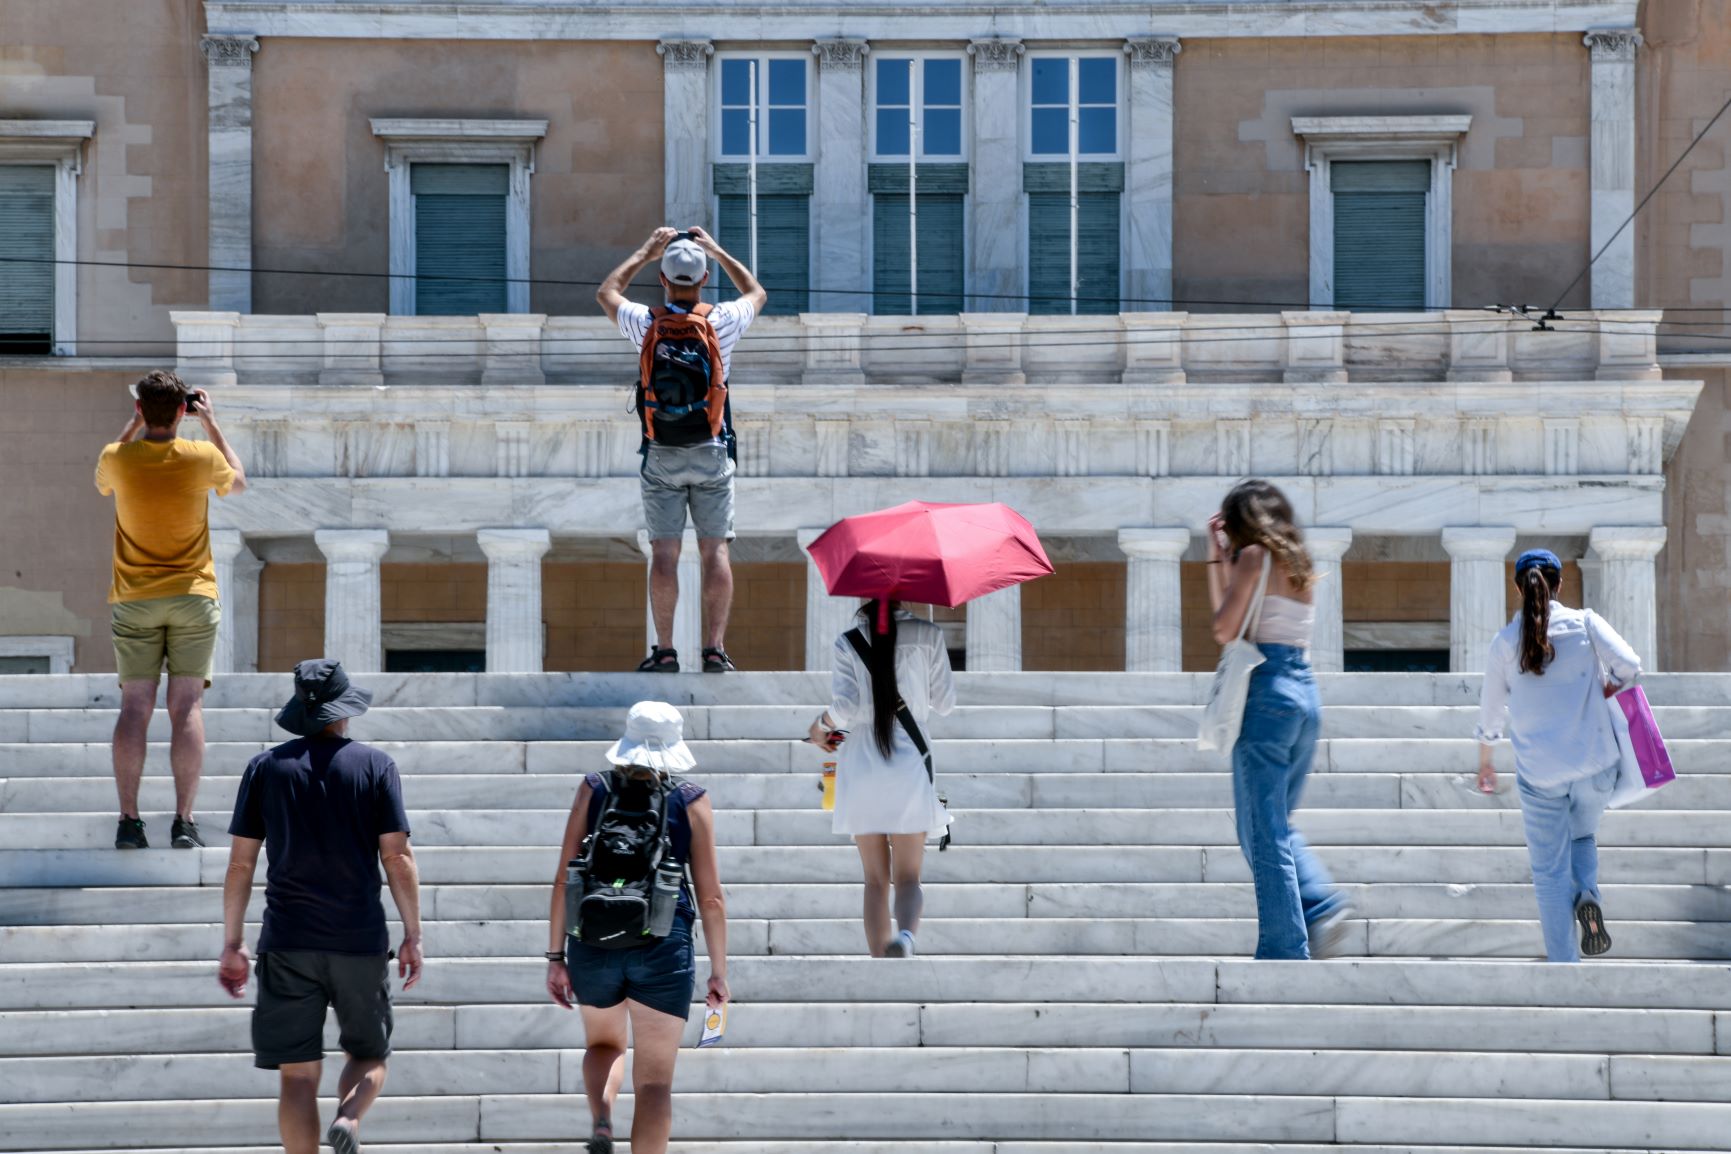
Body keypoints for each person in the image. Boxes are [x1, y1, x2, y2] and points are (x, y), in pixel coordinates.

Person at [218, 659, 423, 1154]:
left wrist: (233, 942)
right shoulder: (375, 766)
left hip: (287, 940)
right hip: (358, 939)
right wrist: (413, 933)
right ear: (344, 712)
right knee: (369, 1054)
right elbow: (396, 856)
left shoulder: (265, 768)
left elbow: (241, 865)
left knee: (297, 1078)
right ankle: (349, 1118)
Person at [546, 701, 728, 1154]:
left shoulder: (593, 789)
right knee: (654, 1082)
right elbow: (710, 896)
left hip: (592, 936)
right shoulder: (691, 799)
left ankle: (603, 1118)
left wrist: (555, 956)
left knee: (605, 1044)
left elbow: (564, 875)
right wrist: (719, 971)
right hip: (664, 943)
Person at [597, 226, 767, 675]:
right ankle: (714, 650)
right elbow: (756, 292)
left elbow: (607, 292)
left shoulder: (645, 322)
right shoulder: (723, 321)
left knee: (665, 554)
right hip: (711, 447)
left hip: (662, 450)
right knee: (715, 551)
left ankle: (666, 650)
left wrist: (645, 250)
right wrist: (719, 250)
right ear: (705, 277)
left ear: (663, 279)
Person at [95, 369, 247, 849]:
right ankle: (184, 820)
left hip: (135, 600)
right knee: (186, 707)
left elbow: (104, 477)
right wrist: (212, 423)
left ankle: (129, 820)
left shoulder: (118, 458)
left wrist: (132, 422)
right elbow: (238, 482)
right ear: (184, 410)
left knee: (134, 707)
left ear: (140, 409)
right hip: (193, 596)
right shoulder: (201, 456)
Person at [1207, 479, 1351, 960]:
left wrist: (1228, 559)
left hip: (1266, 691)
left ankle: (1285, 945)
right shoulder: (1294, 562)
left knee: (1263, 830)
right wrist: (1218, 563)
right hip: (1303, 690)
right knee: (1268, 825)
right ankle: (1319, 901)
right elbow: (1236, 618)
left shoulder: (1252, 558)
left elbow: (1225, 629)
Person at [1475, 549, 1640, 962]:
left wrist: (1486, 761)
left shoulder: (1505, 643)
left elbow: (1491, 713)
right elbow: (1630, 664)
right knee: (1582, 834)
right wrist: (1608, 687)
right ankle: (1587, 893)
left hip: (1541, 773)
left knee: (1549, 873)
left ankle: (1564, 965)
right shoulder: (1585, 622)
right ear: (1559, 585)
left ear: (1517, 588)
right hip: (1596, 764)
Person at [808, 600, 955, 958]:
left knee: (875, 880)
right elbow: (946, 703)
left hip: (862, 763)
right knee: (909, 877)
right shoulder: (929, 635)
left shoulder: (849, 641)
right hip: (909, 760)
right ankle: (905, 937)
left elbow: (844, 706)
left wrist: (819, 727)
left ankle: (877, 962)